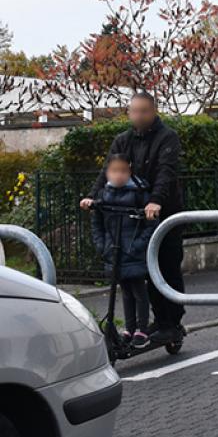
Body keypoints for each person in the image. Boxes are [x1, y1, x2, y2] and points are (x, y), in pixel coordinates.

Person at [81, 92, 185, 346]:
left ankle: (170, 322)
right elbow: (109, 170)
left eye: (143, 111)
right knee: (136, 273)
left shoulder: (167, 137)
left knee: (166, 267)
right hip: (131, 216)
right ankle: (140, 325)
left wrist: (156, 200)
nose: (138, 116)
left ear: (154, 111)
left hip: (162, 214)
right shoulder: (123, 141)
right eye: (134, 111)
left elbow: (166, 171)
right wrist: (94, 197)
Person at [90, 153, 155, 349]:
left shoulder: (138, 193)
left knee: (139, 291)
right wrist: (102, 246)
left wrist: (137, 246)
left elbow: (150, 224)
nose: (118, 175)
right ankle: (129, 327)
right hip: (114, 252)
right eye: (114, 171)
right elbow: (97, 223)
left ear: (130, 172)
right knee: (125, 291)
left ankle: (141, 329)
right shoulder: (103, 195)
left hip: (132, 252)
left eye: (123, 171)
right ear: (107, 173)